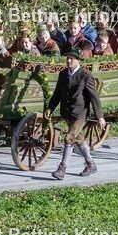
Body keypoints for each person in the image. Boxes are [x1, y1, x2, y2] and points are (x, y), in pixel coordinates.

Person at [46, 48, 106, 179]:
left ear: (78, 60)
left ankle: (62, 169)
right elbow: (57, 94)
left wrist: (99, 116)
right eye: (67, 58)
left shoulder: (85, 75)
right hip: (67, 112)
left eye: (71, 58)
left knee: (69, 138)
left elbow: (94, 97)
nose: (68, 60)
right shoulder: (63, 74)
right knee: (79, 139)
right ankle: (91, 164)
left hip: (80, 113)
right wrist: (50, 108)